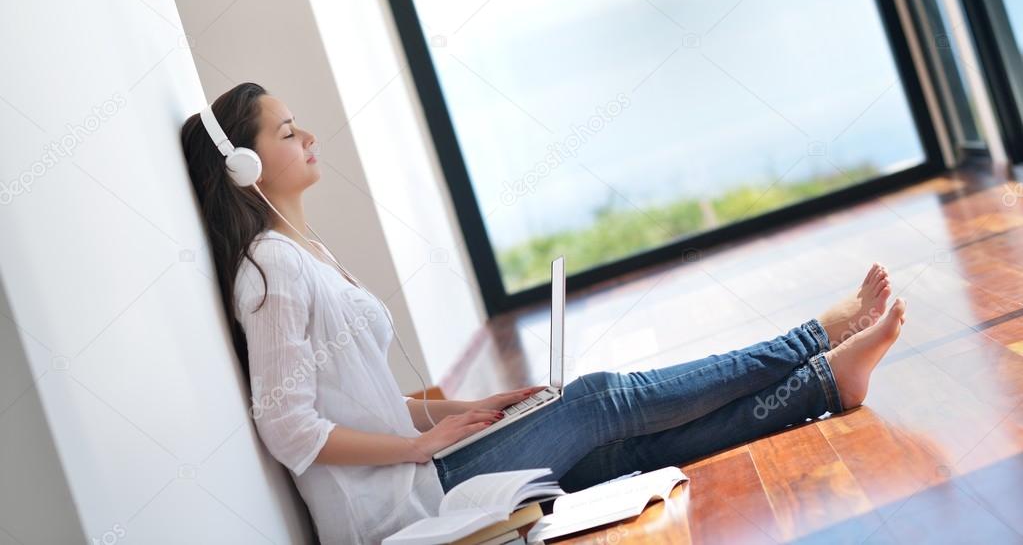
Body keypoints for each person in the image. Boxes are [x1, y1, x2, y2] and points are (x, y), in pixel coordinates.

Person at [181, 82, 907, 544]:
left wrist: (466, 408)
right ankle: (813, 336)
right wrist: (419, 447)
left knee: (615, 453)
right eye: (286, 132)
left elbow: (362, 399)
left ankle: (822, 386)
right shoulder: (269, 270)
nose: (308, 138)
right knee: (598, 400)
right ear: (243, 167)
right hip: (398, 506)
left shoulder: (303, 254)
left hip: (417, 473)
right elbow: (286, 425)